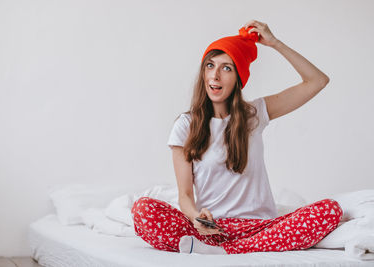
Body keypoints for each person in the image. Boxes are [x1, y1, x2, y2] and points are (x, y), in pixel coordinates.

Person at [131, 20, 342, 254]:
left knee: (330, 210)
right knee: (143, 210)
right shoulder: (185, 125)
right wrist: (196, 217)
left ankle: (226, 251)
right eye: (210, 65)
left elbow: (317, 81)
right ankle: (230, 248)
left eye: (226, 68)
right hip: (213, 229)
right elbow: (185, 195)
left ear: (238, 78)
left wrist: (275, 43)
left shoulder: (255, 114)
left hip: (261, 227)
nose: (215, 76)